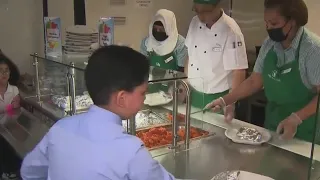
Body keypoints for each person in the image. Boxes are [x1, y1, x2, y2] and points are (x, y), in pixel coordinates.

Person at [20, 45, 175, 180]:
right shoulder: (130, 152)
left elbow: (28, 171)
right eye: (143, 92)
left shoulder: (61, 128)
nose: (144, 98)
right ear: (122, 98)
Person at [206, 0, 320, 142]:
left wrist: (296, 118)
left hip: (306, 134)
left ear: (293, 21)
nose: (269, 28)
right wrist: (225, 100)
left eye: (274, 24)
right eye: (266, 23)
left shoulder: (313, 50)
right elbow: (254, 81)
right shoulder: (269, 44)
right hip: (273, 126)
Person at [185, 0, 248, 119]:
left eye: (205, 11)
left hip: (218, 100)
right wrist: (185, 85)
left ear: (217, 6)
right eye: (197, 11)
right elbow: (190, 55)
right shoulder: (194, 22)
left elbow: (238, 71)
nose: (200, 16)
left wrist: (230, 103)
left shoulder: (230, 30)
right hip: (194, 95)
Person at [0, 51, 21, 180]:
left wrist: (11, 108)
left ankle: (12, 171)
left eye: (6, 70)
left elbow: (14, 112)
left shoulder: (14, 90)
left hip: (8, 126)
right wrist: (9, 108)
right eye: (1, 71)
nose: (4, 73)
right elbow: (10, 108)